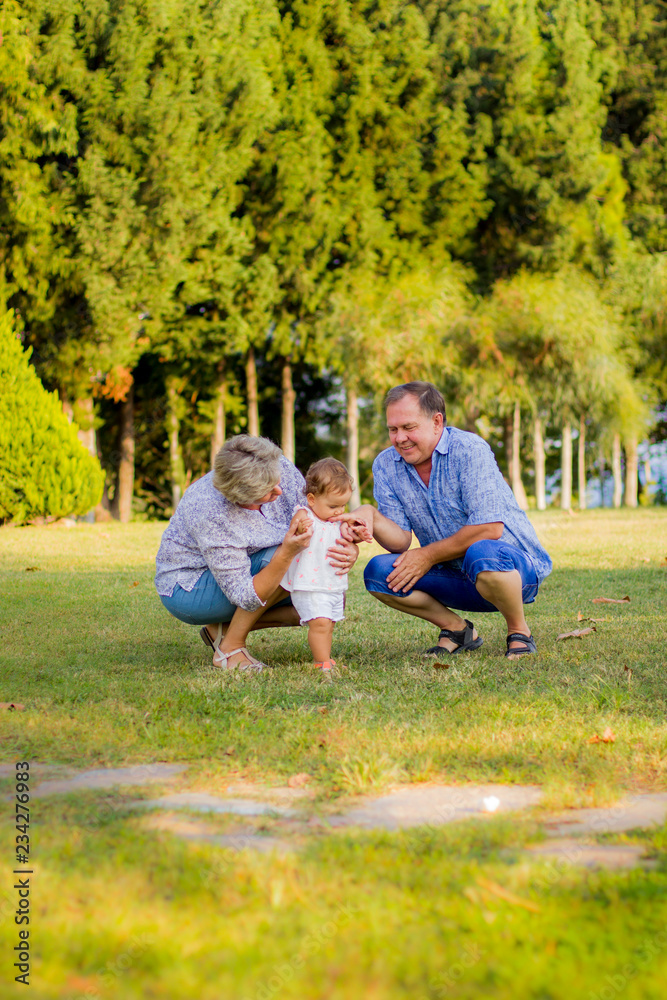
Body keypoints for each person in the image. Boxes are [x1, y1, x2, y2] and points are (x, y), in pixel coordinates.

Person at [339, 382, 552, 659]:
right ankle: (457, 630)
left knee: (482, 552)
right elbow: (401, 541)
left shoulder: (469, 449)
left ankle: (518, 630)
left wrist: (427, 555)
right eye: (393, 429)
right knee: (379, 573)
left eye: (408, 427)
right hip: (454, 574)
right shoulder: (385, 464)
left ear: (436, 422)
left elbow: (490, 528)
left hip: (510, 571)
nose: (399, 438)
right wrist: (371, 516)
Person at [155, 435, 359, 671]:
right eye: (267, 492)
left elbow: (315, 515)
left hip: (257, 564)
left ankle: (221, 631)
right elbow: (243, 594)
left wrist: (349, 545)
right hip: (190, 587)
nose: (280, 491)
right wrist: (287, 554)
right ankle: (231, 648)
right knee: (296, 560)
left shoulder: (273, 463)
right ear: (241, 499)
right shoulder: (210, 511)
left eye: (277, 480)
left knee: (318, 606)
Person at [281, 458, 370, 674]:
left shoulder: (337, 520)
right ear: (311, 499)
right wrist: (300, 525)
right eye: (333, 506)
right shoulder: (306, 515)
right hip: (309, 584)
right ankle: (321, 662)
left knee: (329, 623)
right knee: (320, 623)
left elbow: (349, 537)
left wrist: (359, 534)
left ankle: (326, 657)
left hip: (331, 583)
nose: (339, 511)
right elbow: (296, 528)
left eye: (343, 505)